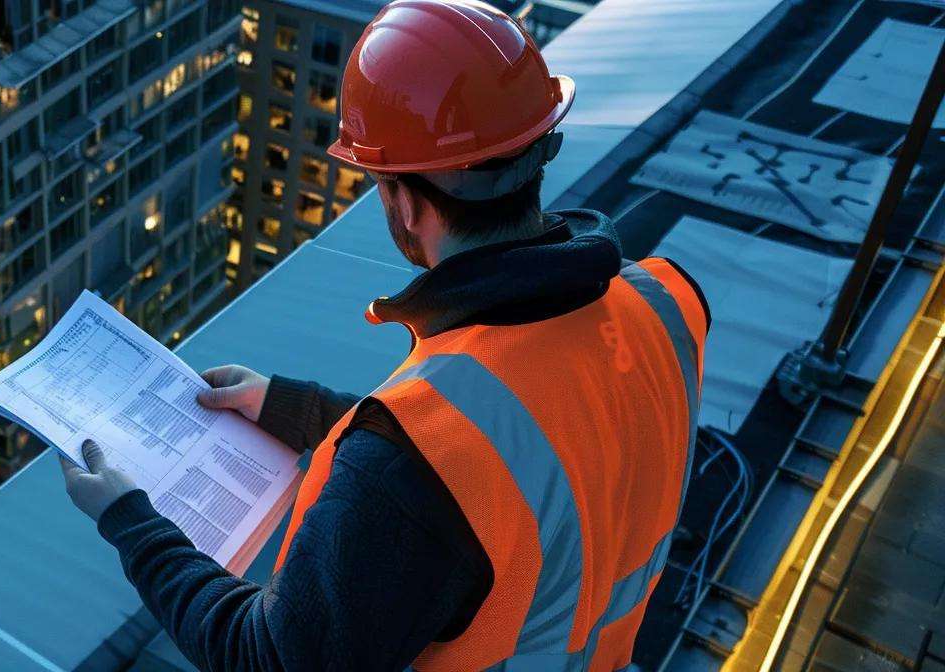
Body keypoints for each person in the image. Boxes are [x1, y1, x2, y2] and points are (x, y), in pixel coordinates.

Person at [58, 1, 710, 670]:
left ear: (403, 200)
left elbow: (269, 658)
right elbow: (518, 464)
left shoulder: (422, 457)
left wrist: (130, 520)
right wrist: (291, 407)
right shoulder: (664, 301)